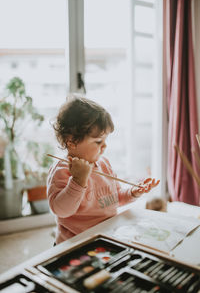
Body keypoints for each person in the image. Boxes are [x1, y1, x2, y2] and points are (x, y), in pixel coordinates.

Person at [47, 95, 160, 244]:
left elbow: (115, 198)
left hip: (106, 237)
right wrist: (78, 181)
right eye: (98, 141)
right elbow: (61, 210)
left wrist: (133, 192)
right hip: (76, 244)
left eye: (105, 140)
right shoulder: (63, 170)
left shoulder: (104, 164)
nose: (105, 146)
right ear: (72, 141)